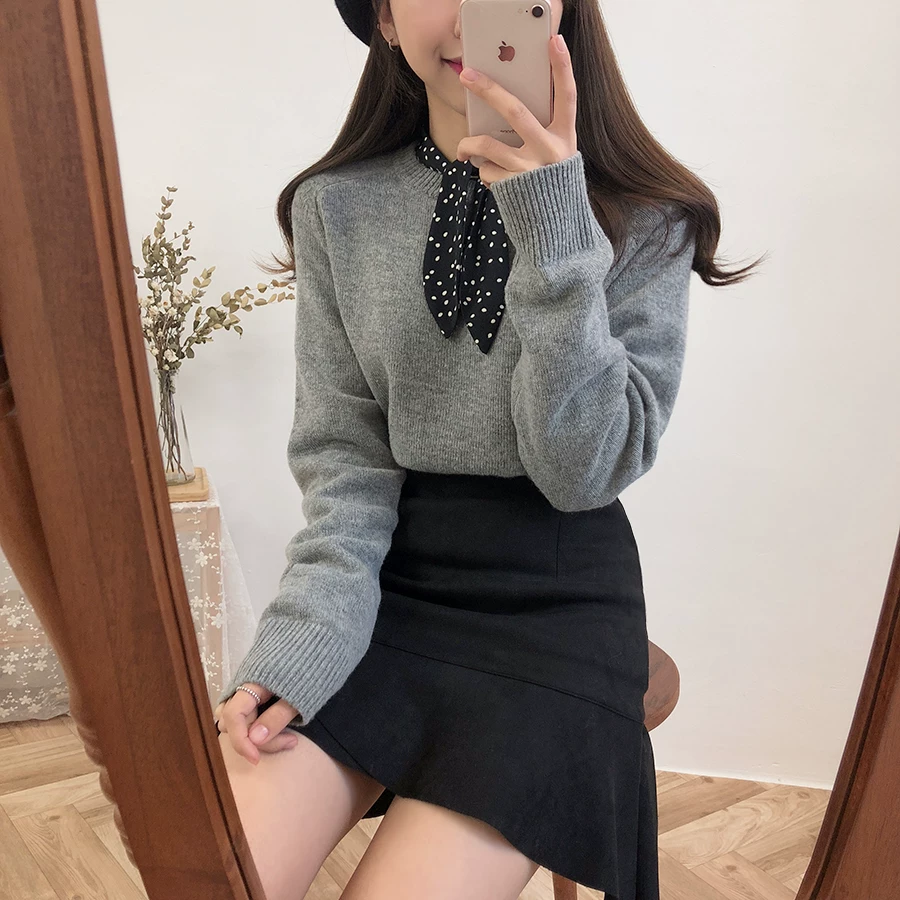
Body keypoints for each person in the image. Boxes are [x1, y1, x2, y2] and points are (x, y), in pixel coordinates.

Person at [213, 2, 764, 899]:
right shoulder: (337, 208)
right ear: (385, 20)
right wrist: (303, 638)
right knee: (211, 876)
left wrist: (553, 224)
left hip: (555, 601)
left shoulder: (649, 216)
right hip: (384, 586)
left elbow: (586, 470)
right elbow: (345, 460)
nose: (473, 10)